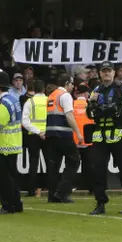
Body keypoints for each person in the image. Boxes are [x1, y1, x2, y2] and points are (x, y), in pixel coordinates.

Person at [86, 61, 122, 215]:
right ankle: (100, 203)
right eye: (103, 71)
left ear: (114, 72)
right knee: (97, 170)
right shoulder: (95, 90)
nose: (106, 73)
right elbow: (89, 114)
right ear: (99, 73)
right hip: (100, 135)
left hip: (120, 134)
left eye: (109, 71)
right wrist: (91, 104)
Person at [0, 71, 23, 214]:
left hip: (3, 145)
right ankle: (16, 204)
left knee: (4, 178)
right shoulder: (14, 99)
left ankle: (7, 205)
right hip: (13, 143)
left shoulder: (3, 103)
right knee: (12, 176)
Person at [45, 73, 82, 203]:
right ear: (67, 83)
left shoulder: (51, 96)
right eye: (72, 84)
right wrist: (78, 133)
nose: (72, 87)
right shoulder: (65, 96)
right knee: (74, 161)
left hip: (50, 135)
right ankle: (61, 192)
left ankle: (52, 195)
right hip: (63, 134)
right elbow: (69, 116)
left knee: (53, 166)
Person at [21, 79, 50, 197]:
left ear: (33, 89)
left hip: (33, 135)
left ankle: (31, 190)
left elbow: (25, 122)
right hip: (47, 134)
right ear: (44, 89)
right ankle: (51, 189)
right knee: (50, 162)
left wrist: (37, 131)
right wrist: (43, 132)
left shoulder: (29, 102)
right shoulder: (49, 101)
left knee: (33, 163)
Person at [73, 82, 94, 194]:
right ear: (86, 93)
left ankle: (73, 186)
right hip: (88, 139)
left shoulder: (72, 104)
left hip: (75, 139)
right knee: (88, 165)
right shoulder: (89, 105)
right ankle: (89, 187)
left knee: (73, 165)